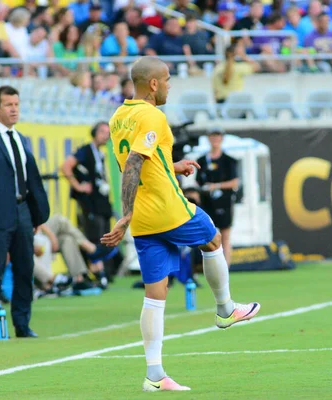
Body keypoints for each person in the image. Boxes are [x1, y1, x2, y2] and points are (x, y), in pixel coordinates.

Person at [102, 56, 260, 392]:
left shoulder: (118, 118)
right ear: (154, 84)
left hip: (145, 219)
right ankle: (226, 309)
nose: (171, 85)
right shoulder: (152, 115)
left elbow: (141, 162)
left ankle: (155, 374)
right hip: (168, 209)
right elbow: (132, 165)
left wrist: (173, 166)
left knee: (155, 295)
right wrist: (125, 214)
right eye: (168, 79)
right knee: (214, 240)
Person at [0, 86, 49, 340]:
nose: (14, 109)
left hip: (22, 210)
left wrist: (35, 215)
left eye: (16, 104)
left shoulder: (21, 138)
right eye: (8, 105)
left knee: (25, 269)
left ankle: (22, 325)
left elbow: (29, 180)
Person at [61, 122, 113, 280]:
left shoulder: (100, 153)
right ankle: (96, 269)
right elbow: (66, 166)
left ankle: (103, 269)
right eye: (102, 131)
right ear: (94, 133)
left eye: (108, 132)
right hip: (90, 203)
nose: (106, 135)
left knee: (105, 233)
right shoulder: (85, 151)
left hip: (101, 201)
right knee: (94, 234)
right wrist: (78, 186)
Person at [196, 127, 239, 265]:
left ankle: (225, 266)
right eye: (212, 136)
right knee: (208, 234)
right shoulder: (202, 160)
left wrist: (216, 186)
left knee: (225, 234)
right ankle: (210, 265)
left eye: (217, 136)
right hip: (207, 202)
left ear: (222, 138)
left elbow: (234, 182)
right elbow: (198, 181)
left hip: (224, 201)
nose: (215, 139)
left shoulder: (229, 160)